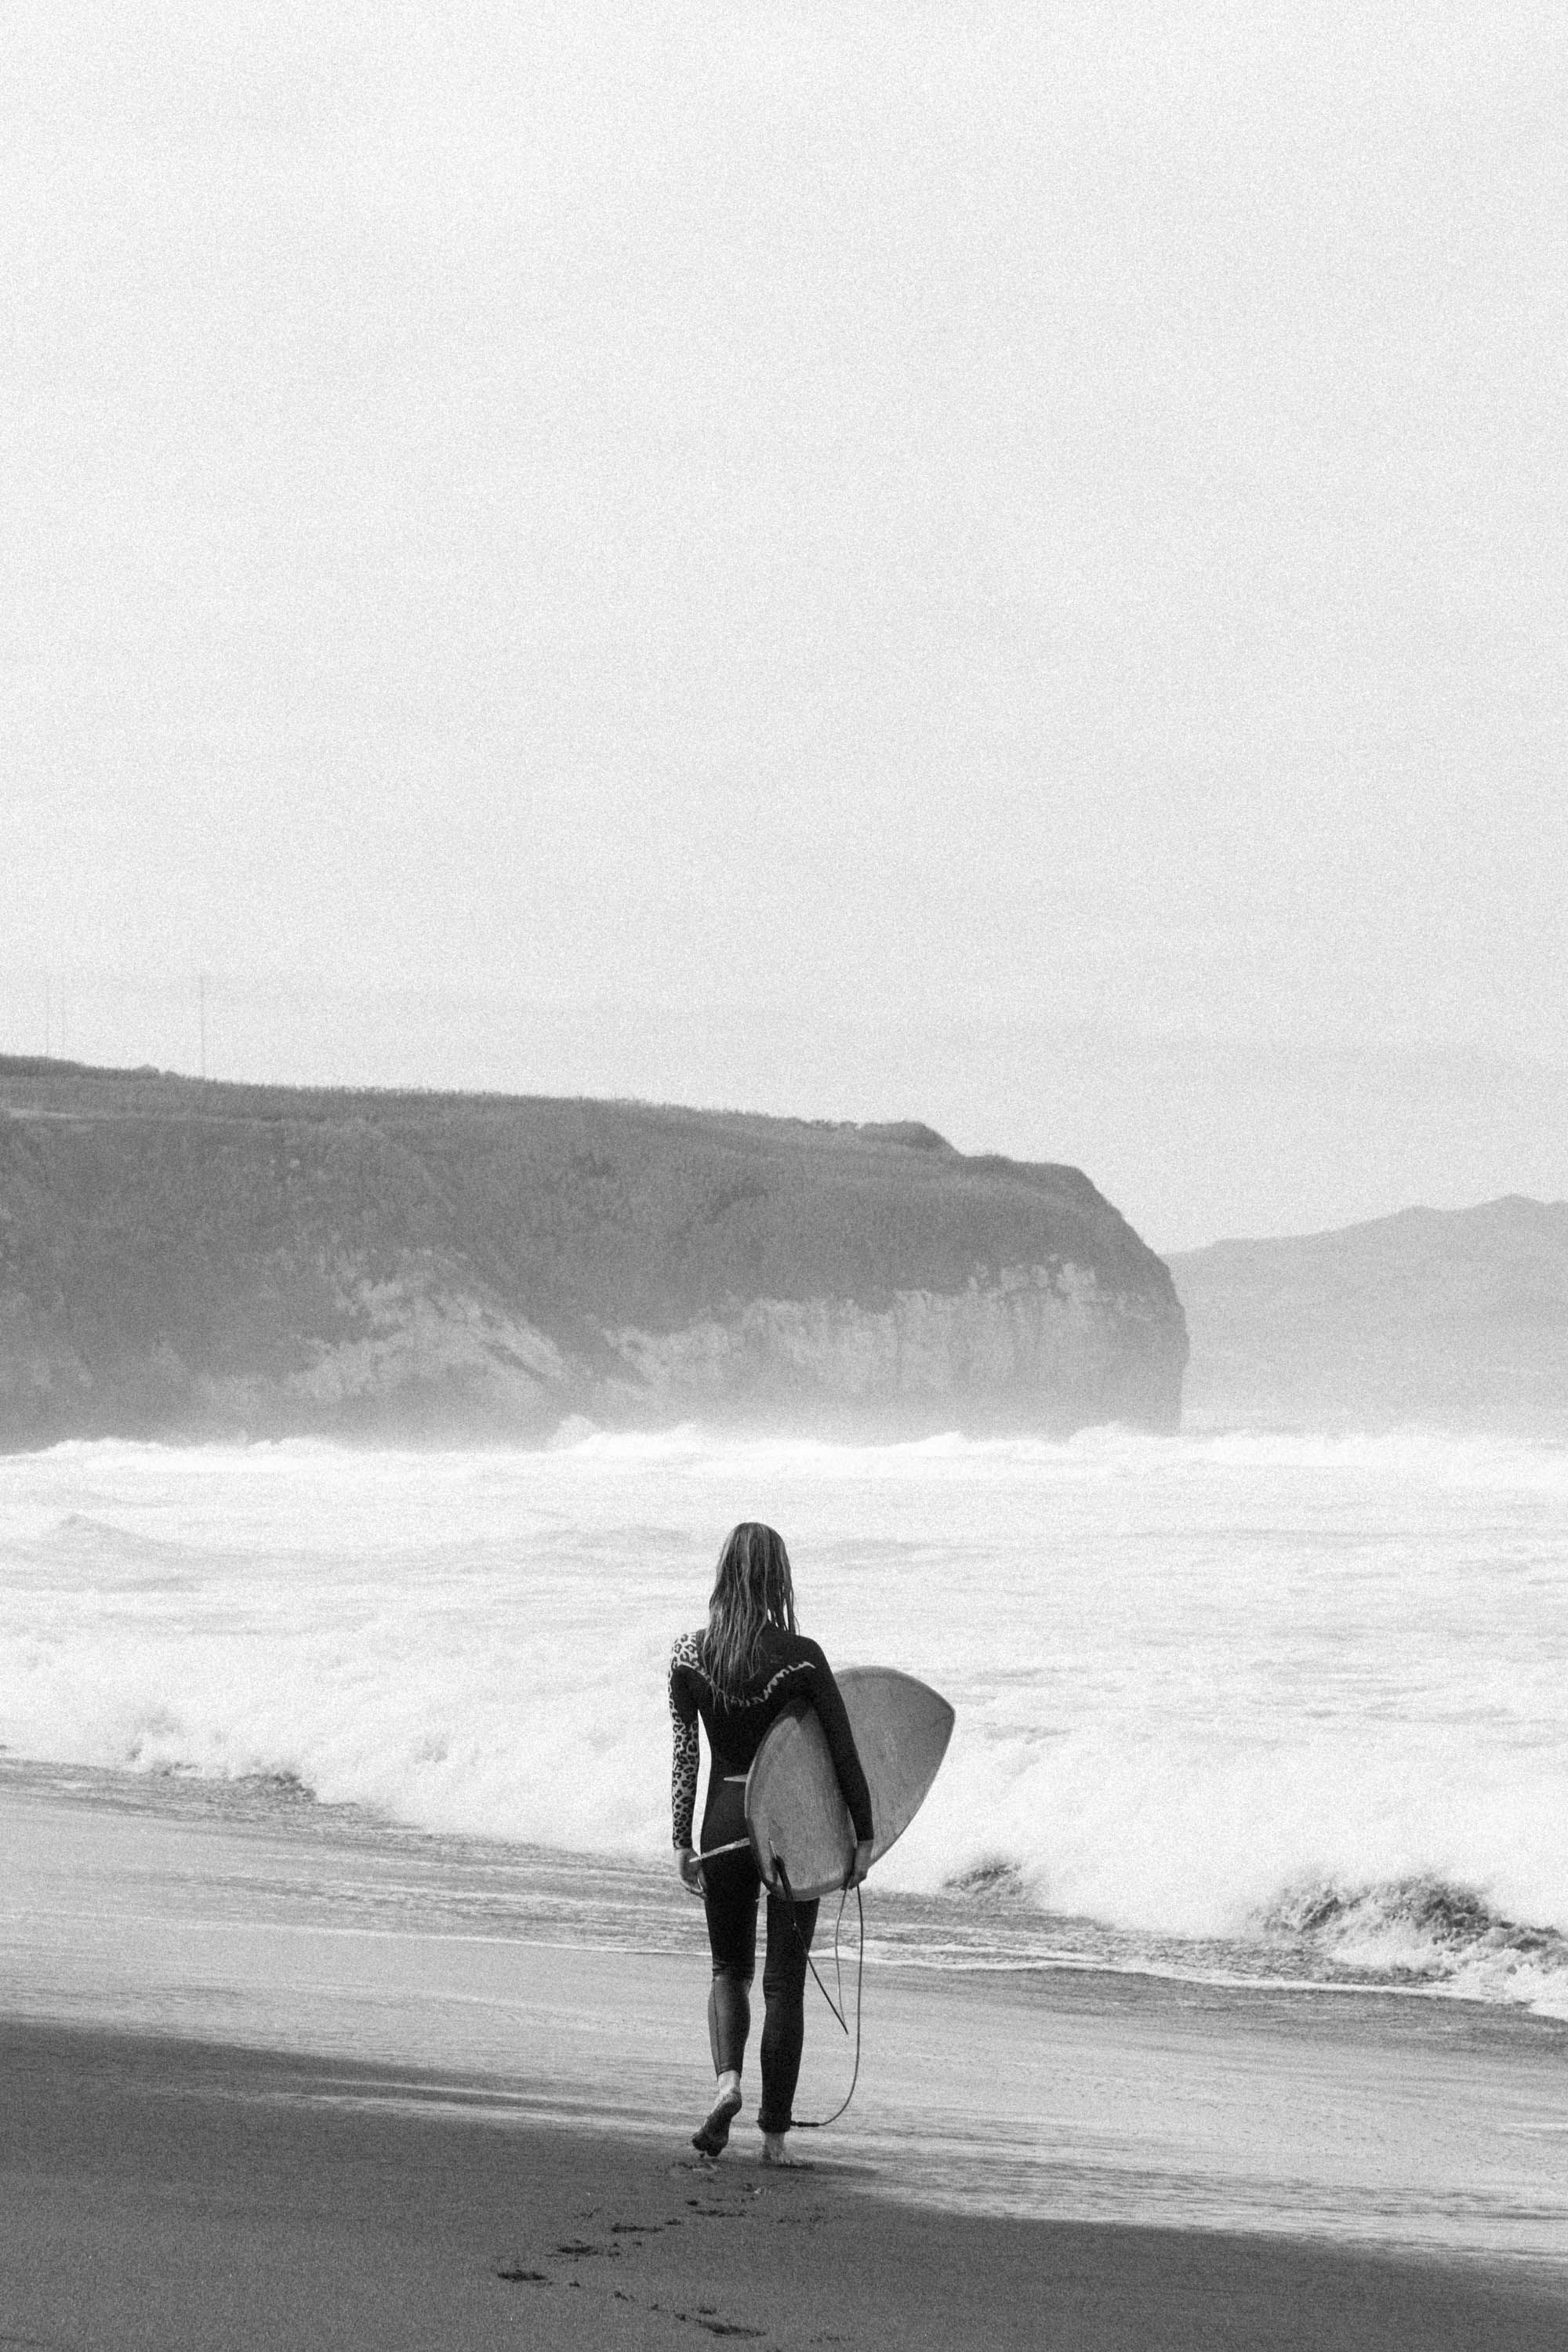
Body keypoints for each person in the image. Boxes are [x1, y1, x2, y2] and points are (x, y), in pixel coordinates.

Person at [669, 1521, 873, 2164]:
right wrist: (863, 1835)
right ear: (778, 1578)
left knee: (729, 1969)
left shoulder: (687, 1655)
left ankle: (726, 2081)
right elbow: (842, 1752)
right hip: (792, 1832)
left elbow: (685, 1756)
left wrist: (681, 1838)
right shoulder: (803, 1656)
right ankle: (775, 2139)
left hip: (724, 1822)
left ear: (724, 1574)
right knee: (785, 1985)